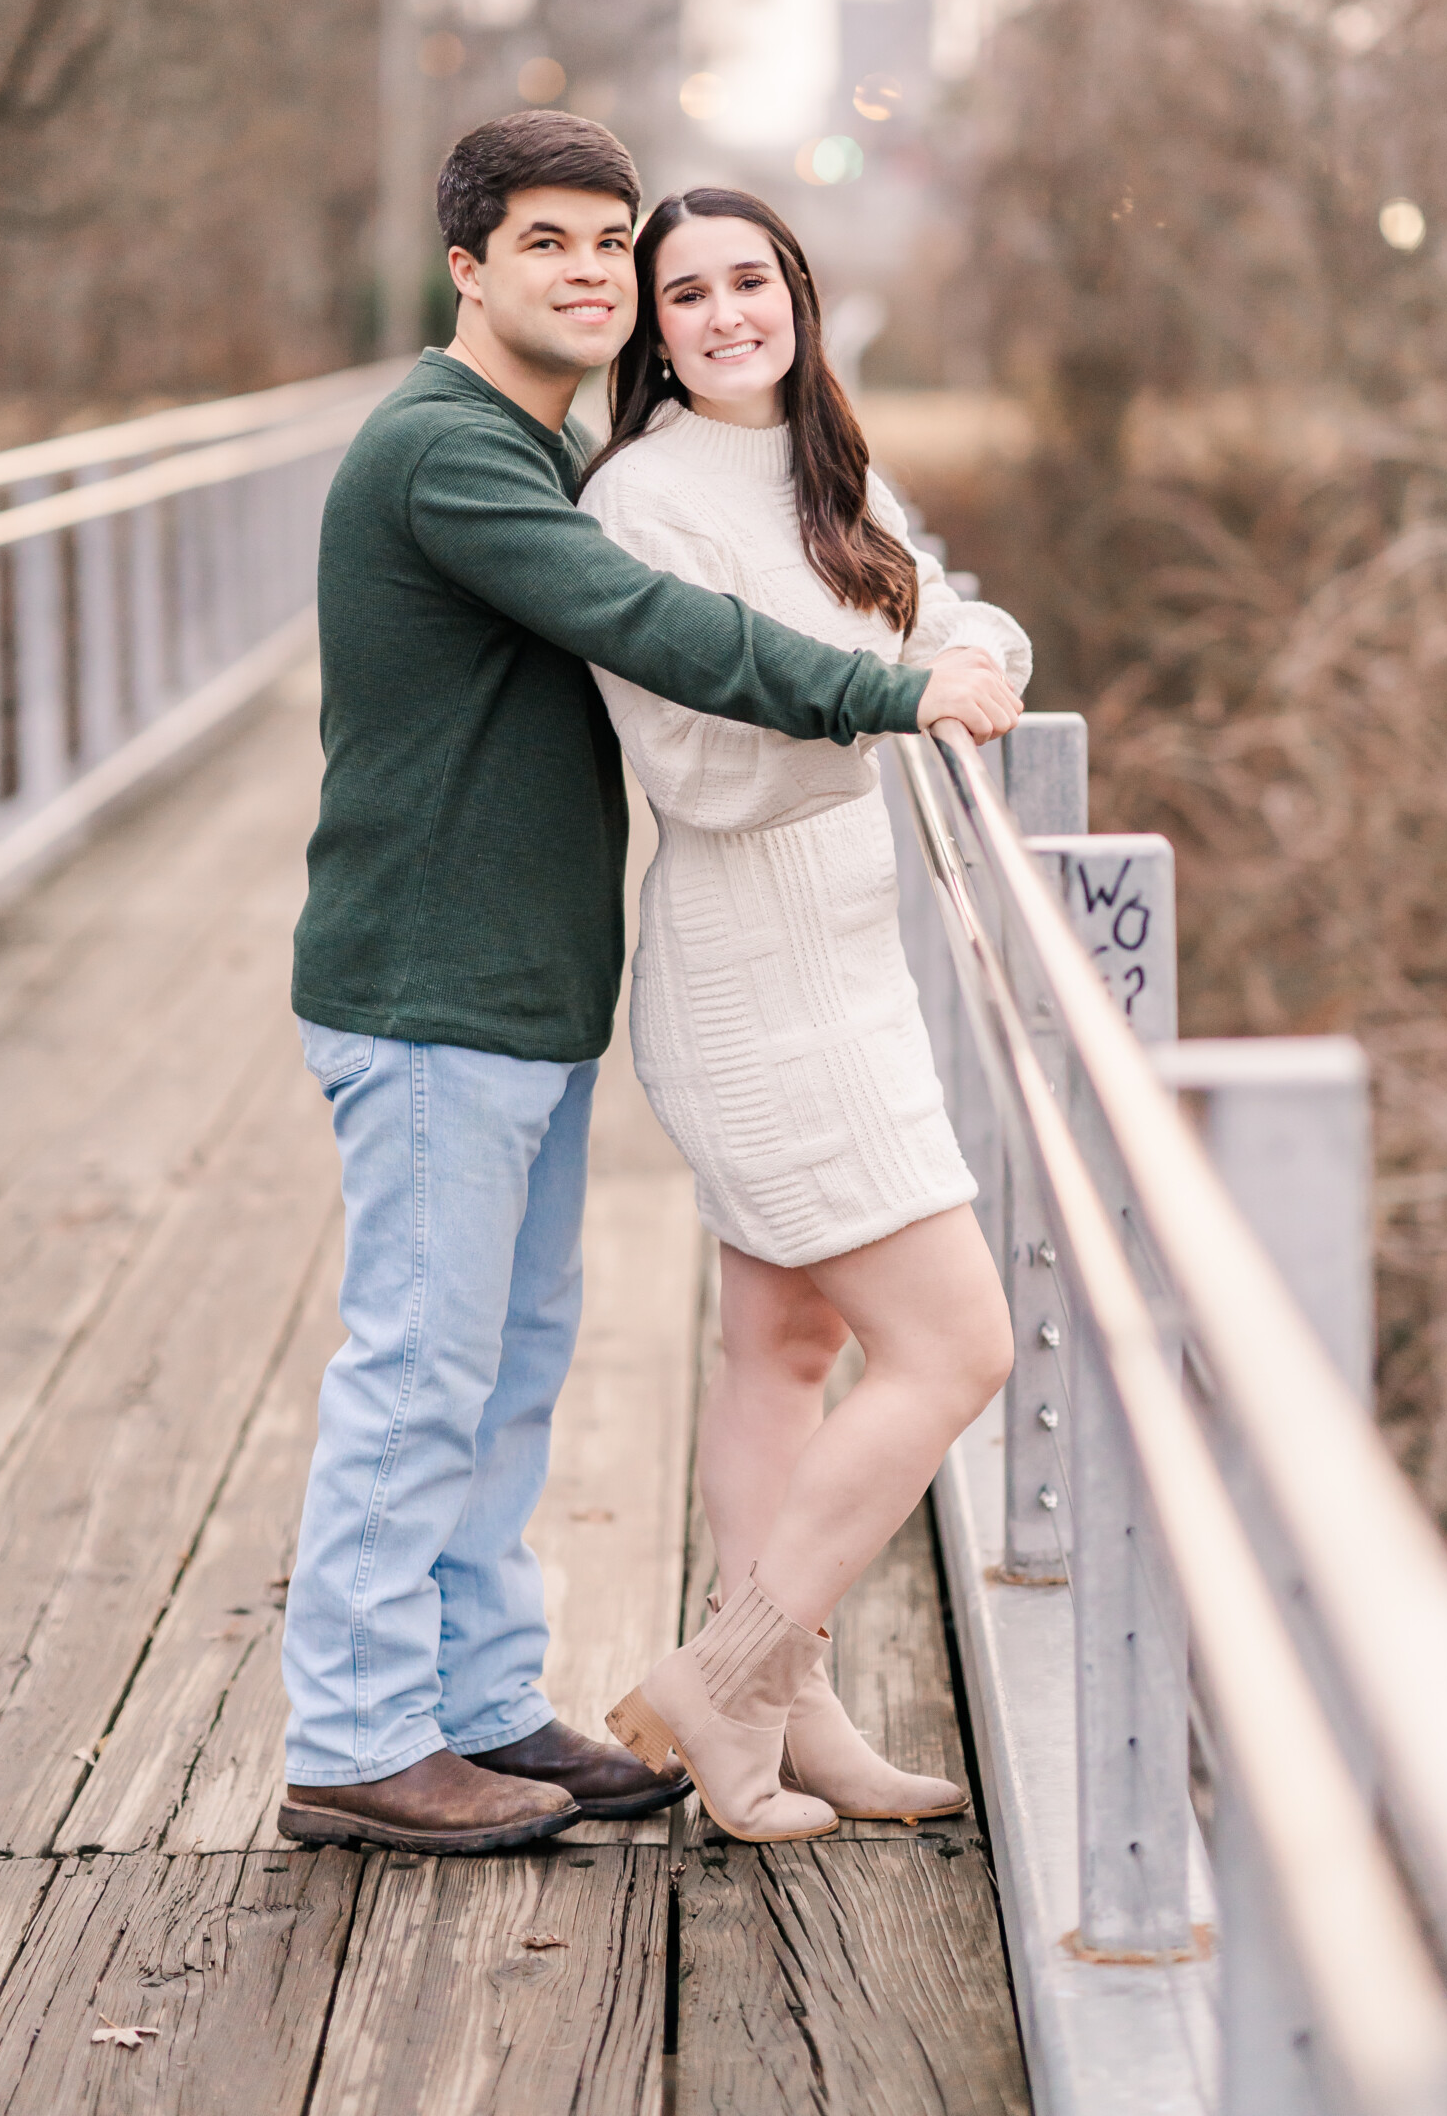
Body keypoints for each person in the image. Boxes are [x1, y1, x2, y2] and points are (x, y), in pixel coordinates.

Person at [278, 114, 1021, 1857]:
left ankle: (471, 1701)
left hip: (522, 990)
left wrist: (953, 649)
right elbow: (661, 635)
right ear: (466, 266)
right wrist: (890, 698)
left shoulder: (522, 444)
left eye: (611, 244)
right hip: (428, 985)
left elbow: (892, 594)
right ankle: (360, 1733)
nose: (596, 275)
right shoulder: (450, 456)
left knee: (510, 1359)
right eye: (556, 243)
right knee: (421, 1362)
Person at [582, 187, 1030, 1843]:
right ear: (650, 326)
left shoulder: (823, 459)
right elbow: (697, 769)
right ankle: (729, 1671)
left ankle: (786, 1727)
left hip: (850, 965)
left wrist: (966, 661)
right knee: (960, 1343)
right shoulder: (638, 501)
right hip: (749, 987)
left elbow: (947, 611)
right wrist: (901, 706)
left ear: (794, 293)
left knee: (786, 1346)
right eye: (682, 292)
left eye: (745, 280)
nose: (720, 313)